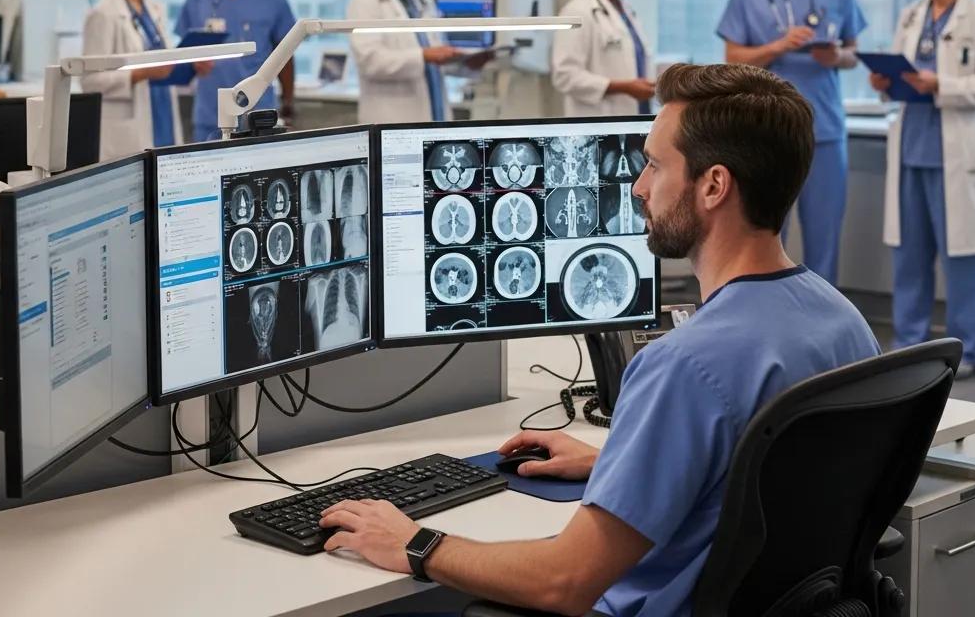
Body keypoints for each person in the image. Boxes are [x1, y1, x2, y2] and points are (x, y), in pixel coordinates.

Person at [316, 63, 879, 615]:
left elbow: (564, 582)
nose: (638, 187)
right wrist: (625, 460)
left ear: (713, 186)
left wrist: (415, 544)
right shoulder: (843, 321)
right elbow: (768, 473)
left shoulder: (686, 365)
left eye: (654, 165)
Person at [716, 0, 867, 285]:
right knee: (763, 234)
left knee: (825, 235)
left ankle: (823, 315)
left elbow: (854, 54)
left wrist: (837, 56)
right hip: (766, 133)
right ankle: (766, 311)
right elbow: (733, 59)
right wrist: (777, 47)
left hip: (824, 129)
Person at [871, 0, 975, 381]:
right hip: (911, 147)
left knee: (964, 259)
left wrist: (943, 84)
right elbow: (901, 73)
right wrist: (884, 82)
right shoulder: (911, 15)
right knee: (910, 256)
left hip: (956, 152)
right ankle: (909, 344)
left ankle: (968, 348)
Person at [176, 0, 295, 141]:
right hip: (209, 117)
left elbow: (285, 55)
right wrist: (192, 64)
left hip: (257, 118)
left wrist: (288, 102)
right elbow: (183, 55)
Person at [82, 0, 182, 160]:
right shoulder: (104, 14)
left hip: (162, 115)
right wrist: (140, 74)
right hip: (128, 132)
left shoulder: (154, 10)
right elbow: (90, 81)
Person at [347, 0, 461, 125]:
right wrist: (423, 56)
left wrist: (463, 62)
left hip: (433, 115)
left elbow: (436, 54)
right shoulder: (365, 2)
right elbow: (370, 62)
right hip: (391, 120)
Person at [552, 0, 655, 117]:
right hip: (598, 121)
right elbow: (564, 75)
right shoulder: (578, 11)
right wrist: (621, 87)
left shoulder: (627, 12)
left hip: (634, 117)